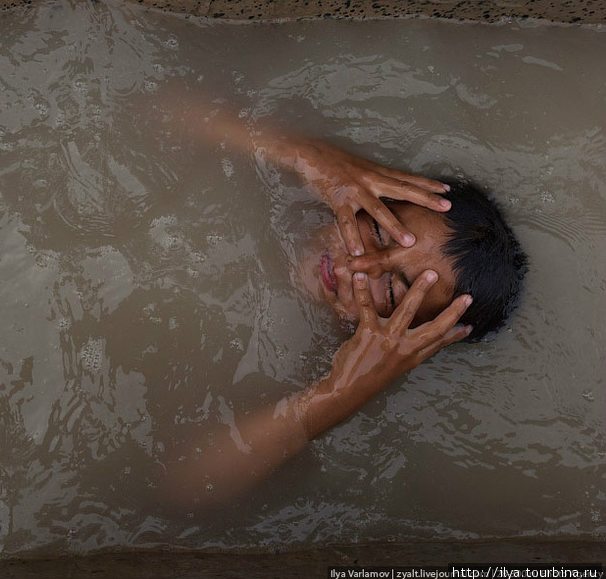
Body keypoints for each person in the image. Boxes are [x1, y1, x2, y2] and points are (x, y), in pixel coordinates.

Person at [161, 100, 527, 508]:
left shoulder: (301, 367)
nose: (358, 264)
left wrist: (339, 394)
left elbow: (178, 492)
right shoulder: (274, 188)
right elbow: (162, 110)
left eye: (392, 291)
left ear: (409, 340)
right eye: (377, 229)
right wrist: (305, 156)